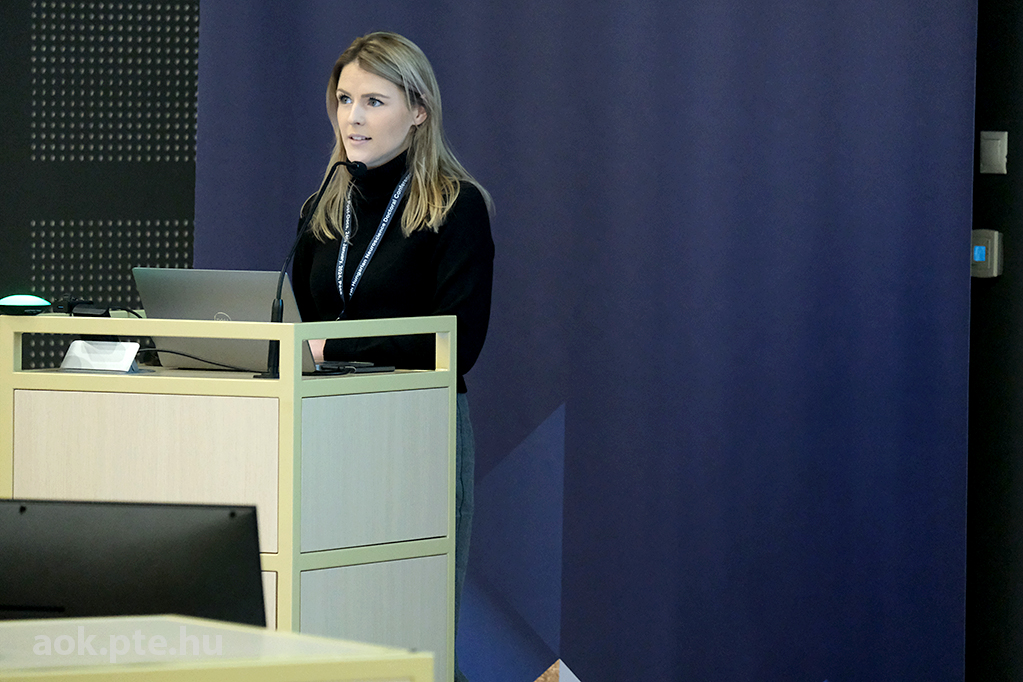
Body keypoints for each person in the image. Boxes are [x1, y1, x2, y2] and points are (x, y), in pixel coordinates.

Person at [291, 31, 493, 682]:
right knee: (336, 628)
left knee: (414, 633)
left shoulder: (455, 207)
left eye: (374, 101)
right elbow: (300, 325)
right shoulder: (323, 207)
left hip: (416, 434)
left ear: (419, 111)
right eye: (344, 99)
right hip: (327, 433)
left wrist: (337, 345)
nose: (352, 117)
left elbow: (457, 338)